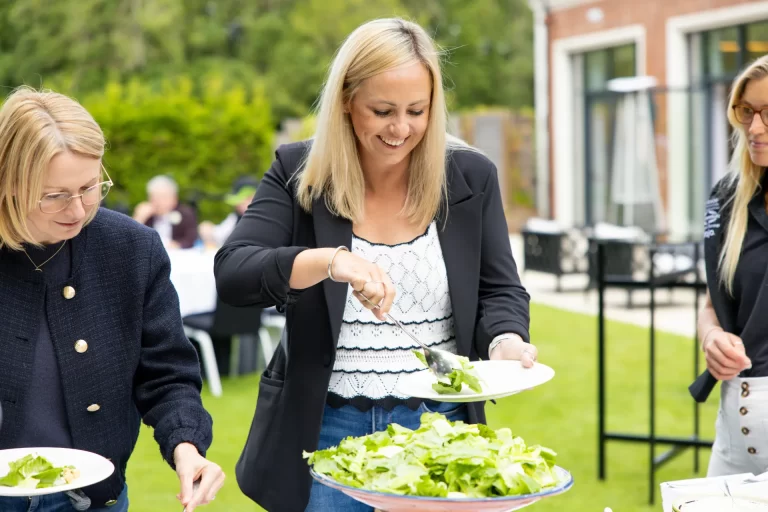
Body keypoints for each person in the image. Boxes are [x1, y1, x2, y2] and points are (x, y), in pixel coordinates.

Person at [214, 18, 536, 512]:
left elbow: (500, 290)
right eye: (382, 110)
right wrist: (330, 261)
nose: (401, 128)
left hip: (441, 426)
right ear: (346, 100)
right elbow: (235, 271)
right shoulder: (299, 174)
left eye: (417, 110)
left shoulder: (471, 177)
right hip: (326, 429)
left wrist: (506, 340)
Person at [0, 87, 225, 511]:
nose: (79, 209)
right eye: (55, 195)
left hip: (93, 499)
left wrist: (187, 445)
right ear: (11, 182)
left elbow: (168, 373)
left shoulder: (131, 249)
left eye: (90, 187)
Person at [693, 55, 768, 477]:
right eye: (746, 111)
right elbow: (713, 304)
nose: (754, 128)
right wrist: (712, 337)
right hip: (732, 437)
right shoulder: (727, 196)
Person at [132, 175, 198, 249]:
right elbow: (132, 238)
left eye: (163, 197)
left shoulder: (185, 213)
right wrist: (139, 218)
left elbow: (190, 239)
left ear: (174, 198)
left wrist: (176, 245)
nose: (158, 202)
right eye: (154, 197)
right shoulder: (147, 216)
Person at [198, 176, 259, 248]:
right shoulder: (235, 217)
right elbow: (219, 234)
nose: (237, 205)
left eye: (244, 200)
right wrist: (208, 230)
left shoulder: (262, 220)